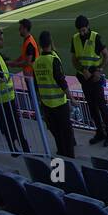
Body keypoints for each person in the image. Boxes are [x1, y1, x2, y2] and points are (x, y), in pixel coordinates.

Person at [71, 14, 108, 146]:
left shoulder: (96, 37)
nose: (82, 32)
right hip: (84, 78)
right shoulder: (75, 39)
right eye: (80, 30)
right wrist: (82, 70)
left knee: (101, 105)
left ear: (88, 27)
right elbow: (74, 59)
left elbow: (106, 56)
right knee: (92, 107)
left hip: (95, 77)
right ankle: (100, 132)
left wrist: (99, 71)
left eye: (84, 30)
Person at [0, 28, 30, 155]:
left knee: (12, 124)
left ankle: (17, 147)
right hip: (4, 100)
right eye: (0, 39)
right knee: (13, 124)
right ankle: (20, 147)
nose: (2, 41)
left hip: (6, 98)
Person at [32, 30, 75, 158]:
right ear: (51, 42)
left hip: (46, 104)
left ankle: (61, 154)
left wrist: (40, 101)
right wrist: (71, 98)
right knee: (66, 134)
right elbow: (61, 81)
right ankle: (69, 159)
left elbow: (36, 85)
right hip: (59, 104)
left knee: (56, 133)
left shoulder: (37, 62)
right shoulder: (53, 60)